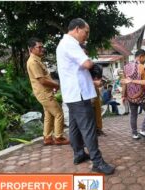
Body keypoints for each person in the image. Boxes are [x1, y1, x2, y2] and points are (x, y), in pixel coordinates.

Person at [56, 18, 114, 175]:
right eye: (85, 32)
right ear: (76, 29)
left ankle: (79, 154)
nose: (86, 36)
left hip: (72, 94)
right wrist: (95, 65)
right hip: (79, 95)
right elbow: (87, 64)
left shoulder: (64, 44)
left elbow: (76, 71)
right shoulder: (70, 43)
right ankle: (97, 162)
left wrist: (92, 83)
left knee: (74, 127)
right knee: (89, 129)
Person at [26, 37, 70, 146]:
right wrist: (56, 85)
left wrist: (53, 85)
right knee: (59, 114)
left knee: (48, 115)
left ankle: (47, 137)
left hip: (45, 92)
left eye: (42, 47)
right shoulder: (33, 62)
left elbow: (44, 78)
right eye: (39, 47)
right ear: (31, 49)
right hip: (44, 93)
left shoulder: (37, 60)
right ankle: (58, 137)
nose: (42, 49)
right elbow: (42, 80)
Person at [122, 49, 145, 140]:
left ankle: (134, 134)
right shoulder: (142, 68)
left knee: (133, 114)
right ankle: (143, 130)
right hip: (142, 96)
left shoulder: (125, 67)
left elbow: (124, 83)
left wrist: (123, 95)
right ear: (141, 56)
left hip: (130, 96)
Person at [80, 44, 106, 136]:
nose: (85, 56)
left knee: (97, 108)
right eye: (84, 53)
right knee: (87, 111)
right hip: (83, 90)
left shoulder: (88, 62)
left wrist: (97, 80)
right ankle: (89, 130)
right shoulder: (76, 64)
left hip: (93, 88)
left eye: (86, 54)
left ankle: (98, 128)